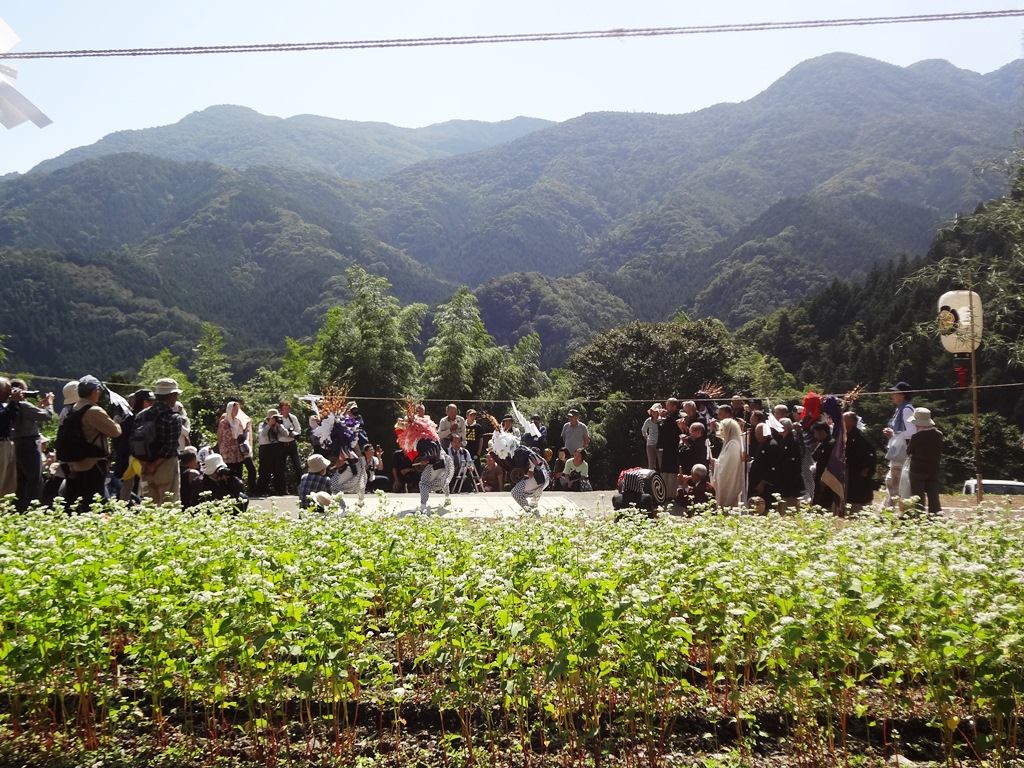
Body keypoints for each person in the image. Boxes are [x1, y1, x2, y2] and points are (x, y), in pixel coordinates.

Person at [63, 375, 122, 514]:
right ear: (94, 392)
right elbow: (115, 432)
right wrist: (117, 422)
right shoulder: (94, 411)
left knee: (81, 499)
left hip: (78, 462)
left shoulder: (74, 409)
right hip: (94, 462)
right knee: (94, 501)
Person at [8, 379, 54, 511]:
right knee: (34, 479)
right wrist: (49, 404)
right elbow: (47, 416)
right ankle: (34, 509)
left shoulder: (10, 405)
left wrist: (37, 408)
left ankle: (19, 508)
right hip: (29, 444)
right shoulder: (23, 405)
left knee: (21, 480)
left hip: (17, 444)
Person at [136, 378, 184, 504]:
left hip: (145, 465)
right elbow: (171, 445)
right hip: (166, 464)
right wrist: (155, 465)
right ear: (172, 395)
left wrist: (145, 464)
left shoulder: (141, 415)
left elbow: (134, 442)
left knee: (149, 506)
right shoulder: (173, 418)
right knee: (169, 503)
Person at [882, 382, 916, 505]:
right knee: (892, 482)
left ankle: (889, 509)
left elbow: (910, 432)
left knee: (893, 482)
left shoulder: (906, 409)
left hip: (902, 452)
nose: (892, 395)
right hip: (899, 449)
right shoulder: (901, 408)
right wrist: (893, 433)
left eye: (895, 392)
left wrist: (896, 435)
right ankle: (888, 509)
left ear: (902, 394)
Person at [906, 407, 943, 514]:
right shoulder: (939, 435)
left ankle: (919, 515)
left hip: (917, 469)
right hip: (933, 469)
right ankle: (935, 514)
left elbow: (909, 451)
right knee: (933, 495)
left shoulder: (916, 436)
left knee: (918, 496)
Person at [843, 412, 877, 515]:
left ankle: (861, 512)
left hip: (859, 470)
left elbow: (869, 453)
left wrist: (866, 468)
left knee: (860, 492)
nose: (842, 421)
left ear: (852, 422)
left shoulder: (859, 436)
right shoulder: (846, 434)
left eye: (845, 419)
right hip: (850, 469)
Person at [218, 401, 256, 493]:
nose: (235, 412)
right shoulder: (224, 422)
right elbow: (223, 436)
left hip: (237, 452)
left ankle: (238, 491)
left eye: (237, 410)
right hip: (227, 452)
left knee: (238, 472)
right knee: (229, 472)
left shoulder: (238, 422)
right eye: (234, 410)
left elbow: (242, 434)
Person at [713, 417, 744, 510]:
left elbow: (728, 466)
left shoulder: (733, 444)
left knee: (728, 503)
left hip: (730, 479)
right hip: (727, 478)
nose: (721, 432)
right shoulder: (730, 442)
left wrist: (716, 462)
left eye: (723, 430)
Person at [256, 408, 288, 496]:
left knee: (279, 470)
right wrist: (269, 425)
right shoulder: (262, 425)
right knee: (265, 470)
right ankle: (262, 490)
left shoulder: (277, 425)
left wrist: (279, 426)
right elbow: (263, 434)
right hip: (265, 448)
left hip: (276, 447)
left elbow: (286, 434)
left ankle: (281, 490)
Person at [657, 398, 685, 496]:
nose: (666, 406)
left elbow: (662, 428)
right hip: (668, 447)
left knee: (672, 470)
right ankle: (668, 492)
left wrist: (661, 418)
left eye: (668, 404)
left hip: (673, 447)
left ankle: (671, 493)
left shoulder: (676, 417)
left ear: (674, 406)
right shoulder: (670, 416)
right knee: (666, 469)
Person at [510, 444, 548, 512]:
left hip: (538, 478)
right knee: (531, 490)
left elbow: (530, 473)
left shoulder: (527, 455)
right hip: (546, 479)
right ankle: (534, 500)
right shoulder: (539, 457)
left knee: (515, 492)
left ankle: (527, 509)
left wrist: (526, 473)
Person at [0, 378, 19, 498]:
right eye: (7, 390)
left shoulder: (4, 406)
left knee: (9, 485)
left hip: (6, 444)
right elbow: (2, 420)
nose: (9, 393)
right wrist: (14, 403)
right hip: (0, 445)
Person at [277, 400, 303, 486]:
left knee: (297, 466)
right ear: (281, 409)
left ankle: (300, 486)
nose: (286, 411)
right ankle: (281, 489)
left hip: (291, 443)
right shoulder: (278, 418)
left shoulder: (293, 418)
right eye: (284, 409)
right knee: (281, 467)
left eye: (288, 409)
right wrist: (286, 433)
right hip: (281, 444)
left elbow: (298, 429)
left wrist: (293, 434)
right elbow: (277, 432)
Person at [641, 403, 661, 471]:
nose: (654, 413)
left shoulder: (662, 421)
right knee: (651, 464)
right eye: (653, 412)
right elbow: (643, 430)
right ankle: (651, 479)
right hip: (650, 444)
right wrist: (647, 439)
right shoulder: (648, 420)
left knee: (661, 464)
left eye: (656, 412)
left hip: (660, 444)